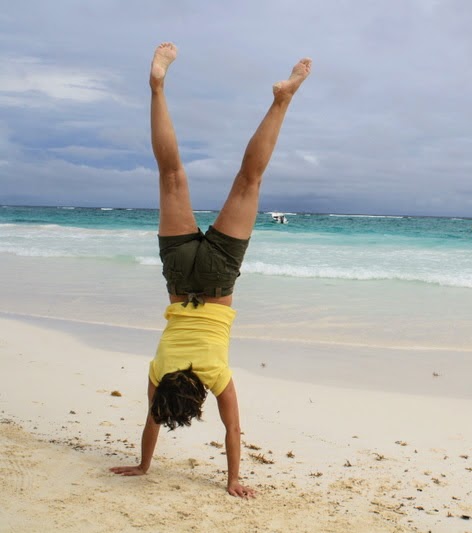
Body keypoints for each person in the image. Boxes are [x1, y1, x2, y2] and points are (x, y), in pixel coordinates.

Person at [109, 42, 311, 498]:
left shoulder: (216, 375)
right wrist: (143, 462)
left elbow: (232, 433)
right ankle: (157, 87)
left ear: (198, 395)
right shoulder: (160, 371)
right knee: (171, 175)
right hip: (180, 277)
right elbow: (152, 421)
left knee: (249, 180)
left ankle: (282, 99)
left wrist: (234, 479)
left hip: (219, 277)